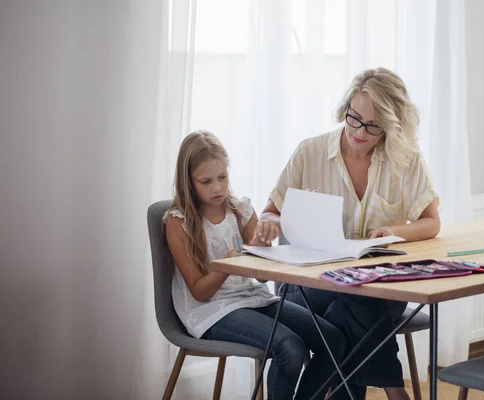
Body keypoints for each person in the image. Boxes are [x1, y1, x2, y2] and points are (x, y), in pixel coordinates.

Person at [259, 68, 440, 400]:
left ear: (391, 126)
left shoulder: (406, 160)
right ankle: (395, 392)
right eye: (353, 118)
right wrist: (270, 224)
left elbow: (431, 223)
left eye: (373, 126)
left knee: (346, 311)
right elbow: (271, 211)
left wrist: (394, 231)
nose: (359, 131)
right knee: (351, 309)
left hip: (379, 289)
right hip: (310, 285)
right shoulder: (309, 153)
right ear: (345, 109)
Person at [164, 131, 347, 400]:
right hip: (211, 311)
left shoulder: (240, 210)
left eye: (222, 177)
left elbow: (262, 279)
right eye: (206, 181)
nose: (217, 187)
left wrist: (261, 248)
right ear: (188, 182)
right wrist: (226, 265)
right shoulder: (178, 222)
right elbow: (200, 292)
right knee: (291, 348)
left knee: (335, 341)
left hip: (253, 299)